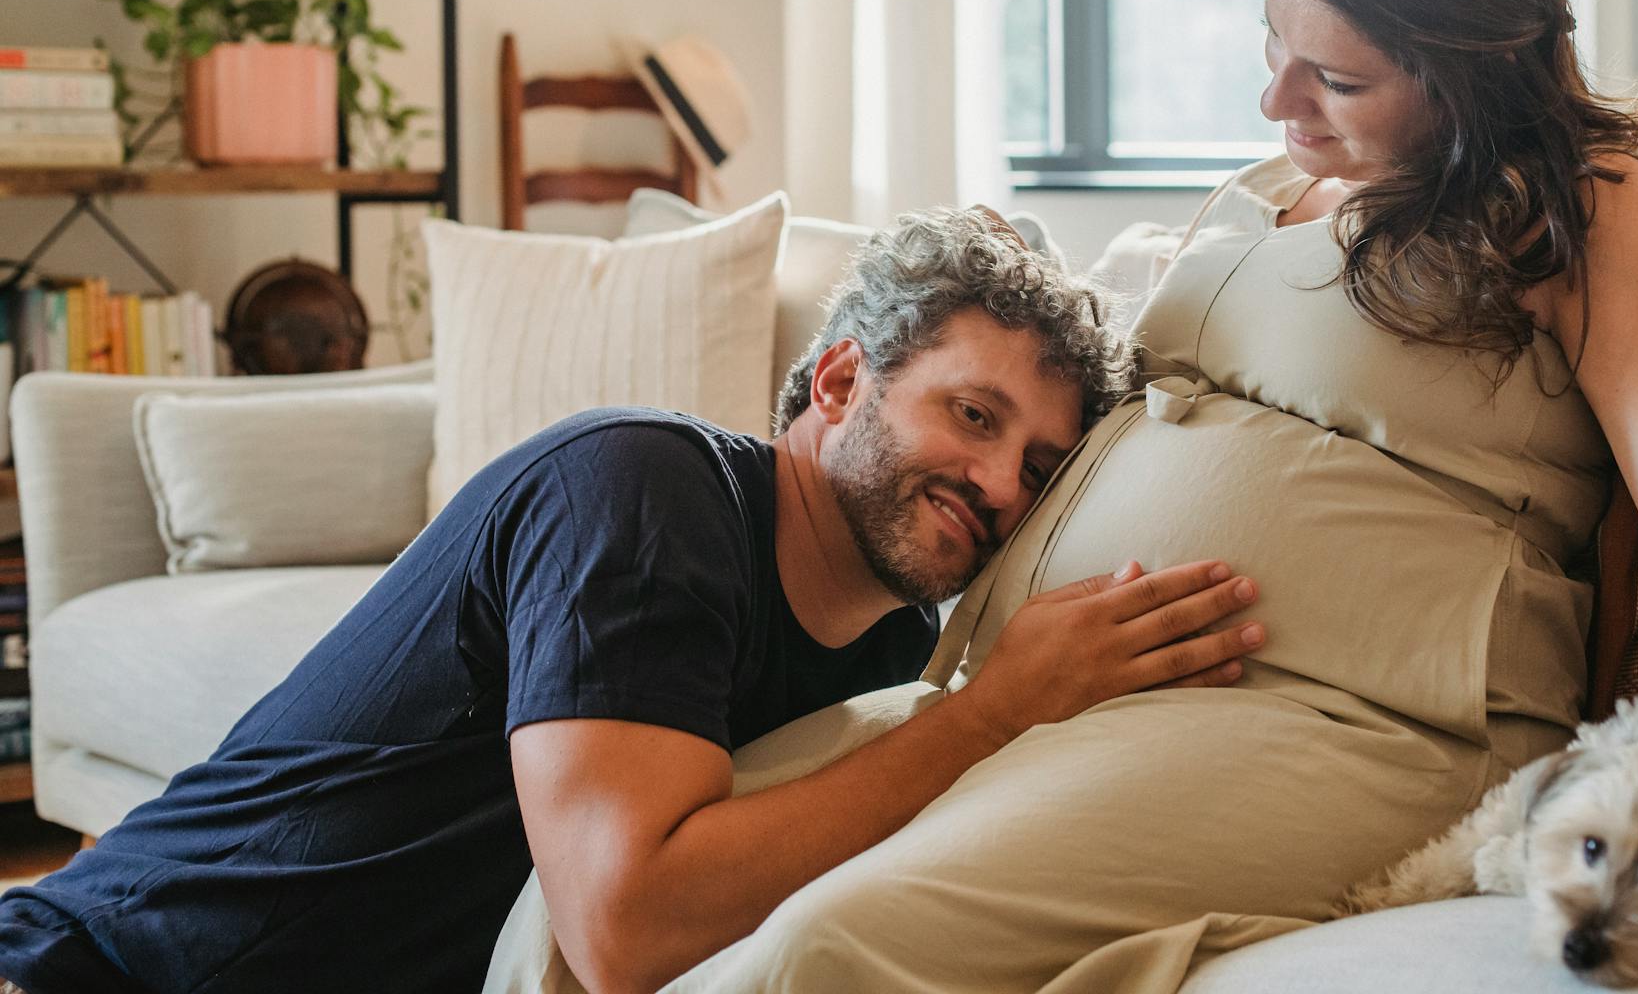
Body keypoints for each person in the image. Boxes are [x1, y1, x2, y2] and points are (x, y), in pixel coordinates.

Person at [651, 0, 1638, 993]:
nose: (1278, 104)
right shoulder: (1270, 185)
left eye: (1335, 76)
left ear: (1471, 67)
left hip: (1343, 720)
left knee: (825, 951)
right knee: (618, 897)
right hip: (1041, 691)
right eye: (1272, 46)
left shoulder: (1584, 211)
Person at [0, 207, 1267, 994]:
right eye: (971, 414)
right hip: (112, 969)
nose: (998, 484)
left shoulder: (896, 648)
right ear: (837, 382)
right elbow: (625, 927)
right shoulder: (643, 492)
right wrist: (990, 712)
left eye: (1039, 469)